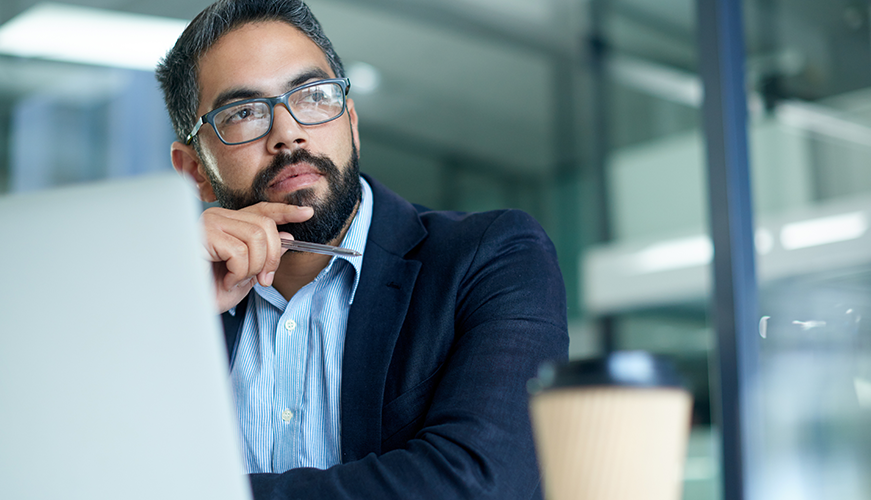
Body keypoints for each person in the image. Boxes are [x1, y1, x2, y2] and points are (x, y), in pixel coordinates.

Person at [156, 1, 568, 498]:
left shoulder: (493, 257)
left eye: (313, 96)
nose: (289, 133)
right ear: (195, 171)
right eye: (243, 113)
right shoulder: (168, 303)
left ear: (350, 123)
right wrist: (171, 312)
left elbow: (477, 484)